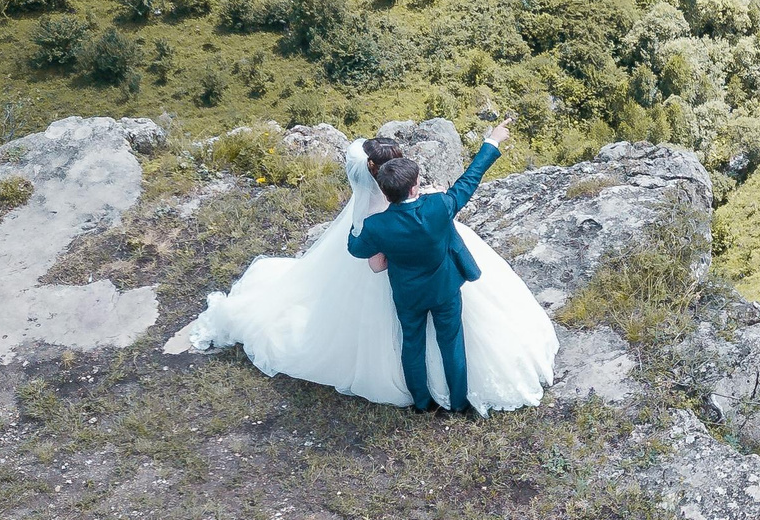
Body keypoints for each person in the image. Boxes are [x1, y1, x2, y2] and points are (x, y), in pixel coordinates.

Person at [166, 125, 556, 413]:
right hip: (444, 287)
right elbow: (469, 181)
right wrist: (491, 142)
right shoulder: (439, 205)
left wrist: (375, 247)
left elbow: (357, 249)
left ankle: (422, 403)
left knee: (411, 345)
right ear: (414, 186)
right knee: (451, 343)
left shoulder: (376, 226)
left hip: (406, 293)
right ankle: (459, 403)